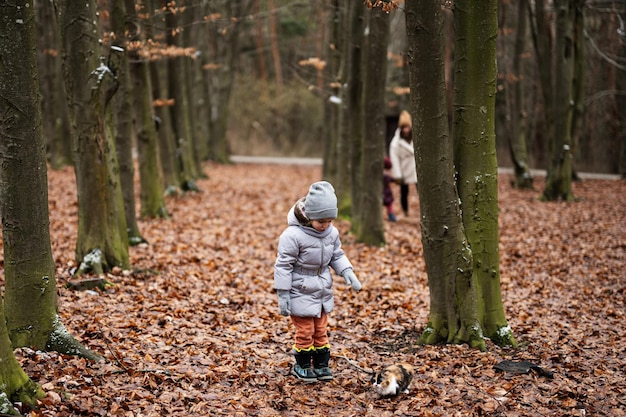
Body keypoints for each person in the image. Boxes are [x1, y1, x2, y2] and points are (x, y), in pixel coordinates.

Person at [274, 181, 362, 383]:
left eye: (330, 221)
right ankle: (302, 365)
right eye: (321, 221)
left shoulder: (332, 233)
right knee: (305, 331)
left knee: (321, 329)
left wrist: (347, 271)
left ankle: (321, 365)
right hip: (299, 288)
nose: (325, 225)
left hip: (322, 288)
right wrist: (283, 294)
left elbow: (337, 255)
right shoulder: (292, 236)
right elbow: (283, 265)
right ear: (310, 216)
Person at [389, 110, 418, 217]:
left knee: (421, 191)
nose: (406, 130)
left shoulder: (416, 137)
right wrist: (398, 175)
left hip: (416, 168)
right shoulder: (395, 143)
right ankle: (405, 212)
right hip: (404, 170)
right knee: (404, 192)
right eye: (404, 127)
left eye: (407, 127)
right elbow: (395, 159)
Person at [383, 156, 396, 222]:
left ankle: (391, 216)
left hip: (386, 193)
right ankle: (391, 216)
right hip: (385, 193)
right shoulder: (385, 176)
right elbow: (389, 179)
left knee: (389, 205)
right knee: (389, 205)